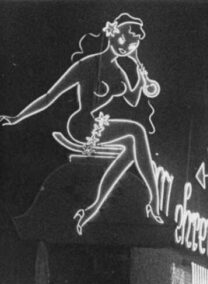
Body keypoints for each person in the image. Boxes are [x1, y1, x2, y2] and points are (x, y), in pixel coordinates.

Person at [0, 13, 166, 234]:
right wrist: (17, 117)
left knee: (130, 151)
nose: (127, 47)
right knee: (136, 132)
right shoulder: (86, 65)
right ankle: (153, 198)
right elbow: (50, 96)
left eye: (133, 44)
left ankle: (94, 207)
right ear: (112, 35)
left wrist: (140, 77)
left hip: (98, 125)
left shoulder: (119, 72)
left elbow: (133, 100)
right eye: (124, 40)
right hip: (81, 125)